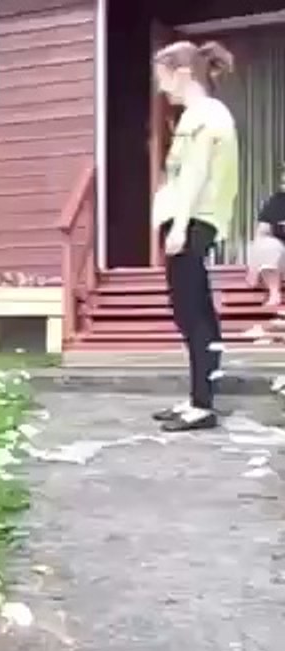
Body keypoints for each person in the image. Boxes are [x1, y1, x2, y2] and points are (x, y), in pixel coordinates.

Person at [149, 40, 239, 432]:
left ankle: (202, 405)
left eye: (163, 77)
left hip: (193, 220)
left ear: (182, 73)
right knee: (194, 310)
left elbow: (196, 173)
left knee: (193, 312)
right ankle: (197, 398)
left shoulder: (203, 115)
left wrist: (181, 225)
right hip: (194, 219)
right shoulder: (200, 115)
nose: (161, 87)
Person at [247, 165, 285, 306]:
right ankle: (274, 294)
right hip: (281, 259)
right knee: (267, 245)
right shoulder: (278, 201)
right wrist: (254, 266)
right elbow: (261, 233)